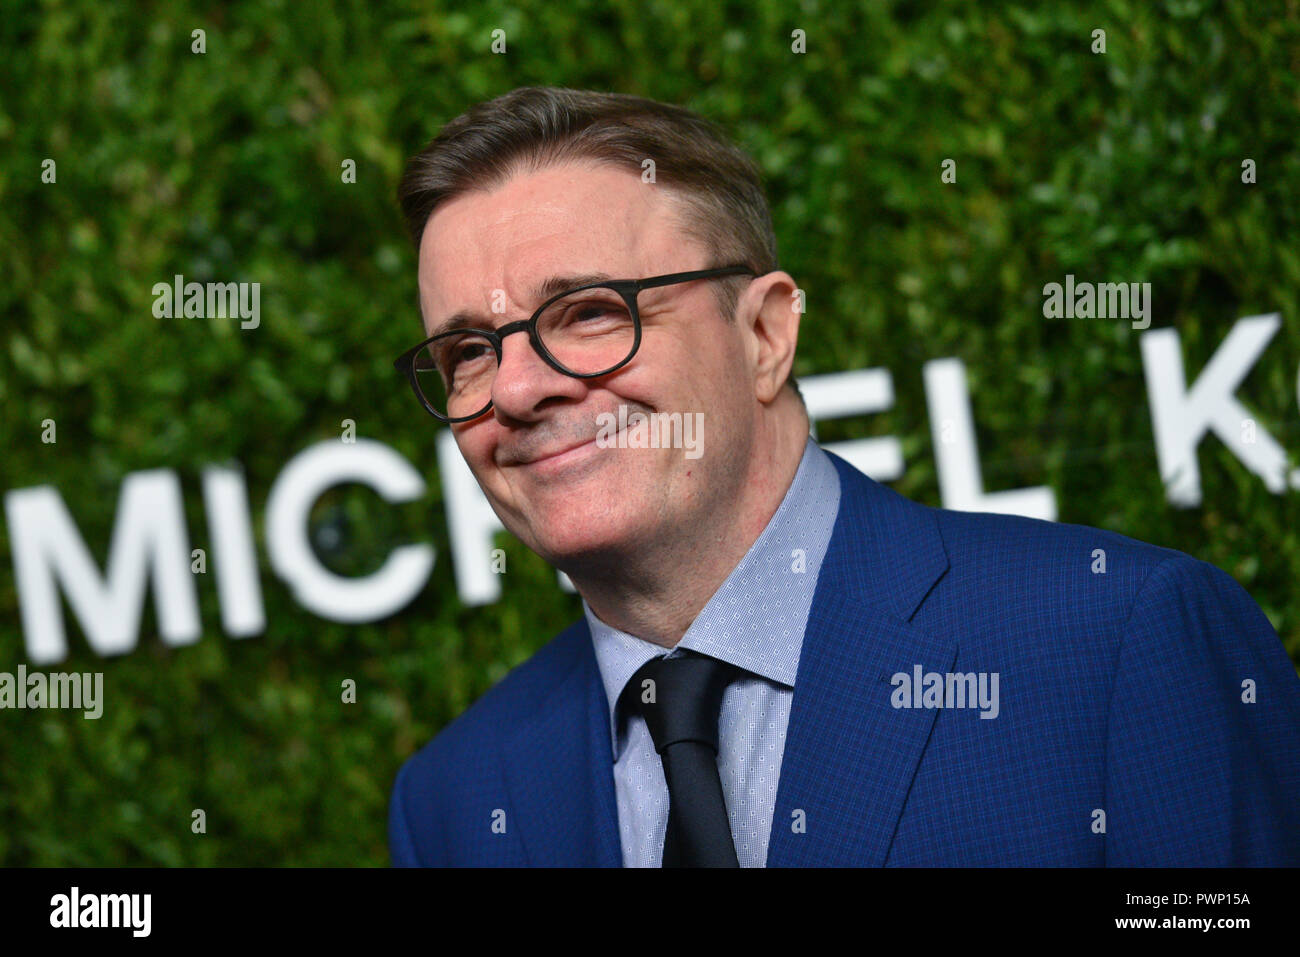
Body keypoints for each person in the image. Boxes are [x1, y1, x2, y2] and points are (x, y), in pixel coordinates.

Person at [387, 86, 1300, 867]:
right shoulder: (454, 805)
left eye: (588, 312)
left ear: (765, 336)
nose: (513, 388)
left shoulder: (1118, 643)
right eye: (468, 350)